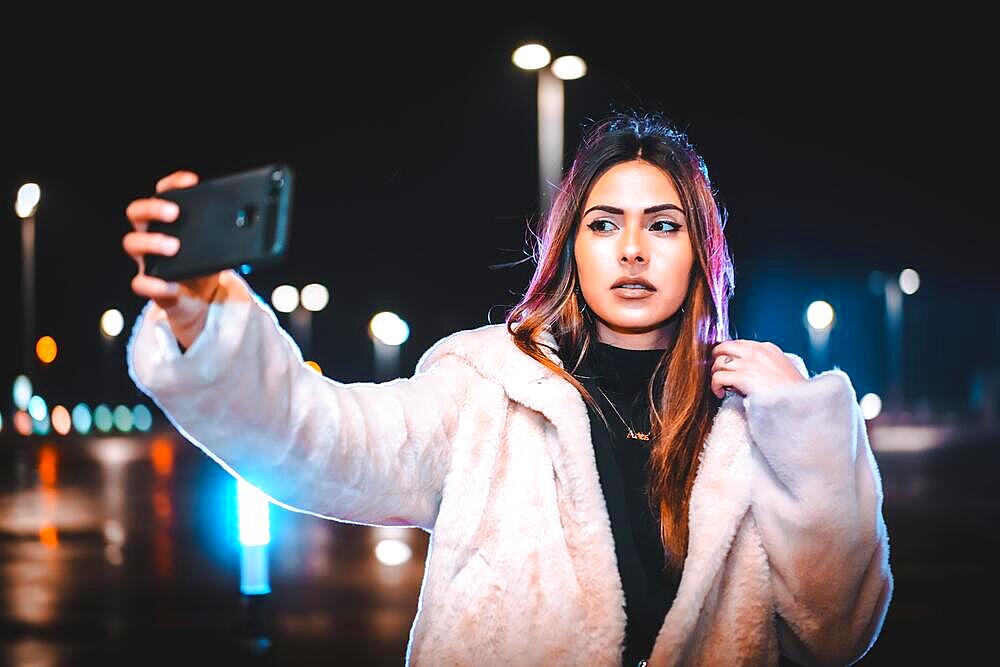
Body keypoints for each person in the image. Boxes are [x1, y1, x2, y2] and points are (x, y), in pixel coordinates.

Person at [123, 110, 893, 666]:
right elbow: (316, 438)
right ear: (570, 245)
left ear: (700, 250)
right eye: (603, 224)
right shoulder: (487, 388)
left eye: (662, 225)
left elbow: (836, 631)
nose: (631, 249)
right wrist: (206, 322)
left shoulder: (755, 418)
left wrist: (805, 427)